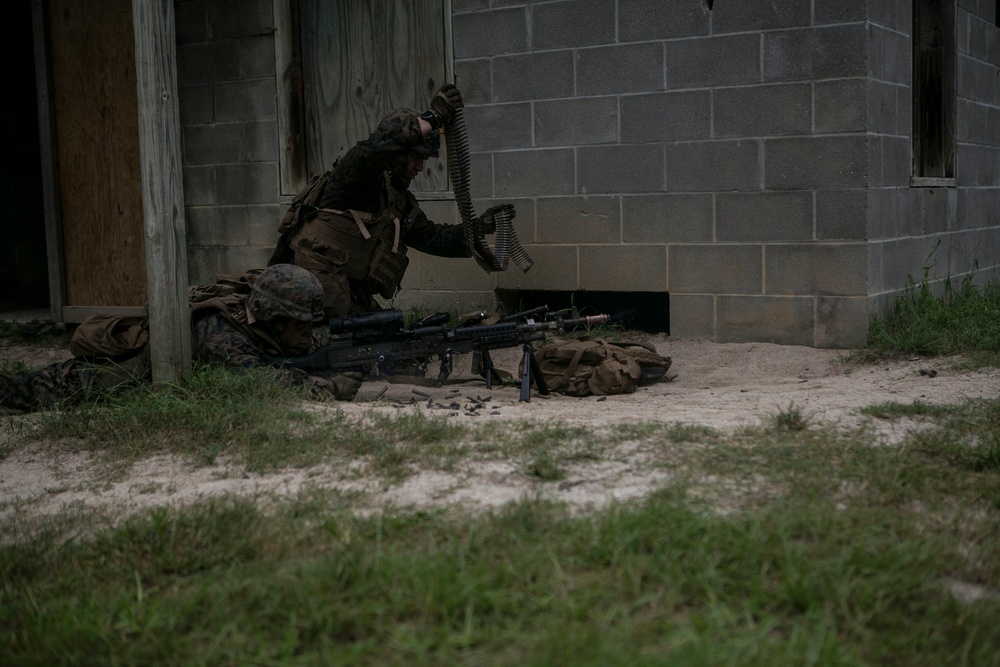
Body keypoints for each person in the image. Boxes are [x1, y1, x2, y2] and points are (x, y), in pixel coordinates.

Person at [268, 83, 511, 317]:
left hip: (345, 296)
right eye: (415, 156)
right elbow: (373, 150)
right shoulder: (356, 177)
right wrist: (430, 119)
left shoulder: (399, 203)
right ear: (397, 154)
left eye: (424, 159)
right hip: (299, 296)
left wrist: (480, 227)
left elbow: (435, 239)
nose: (420, 166)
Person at [0, 264, 361, 413]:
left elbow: (306, 345)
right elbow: (259, 383)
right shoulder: (219, 333)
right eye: (299, 325)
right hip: (96, 381)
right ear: (272, 315)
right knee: (18, 391)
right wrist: (328, 387)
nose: (306, 334)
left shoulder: (264, 321)